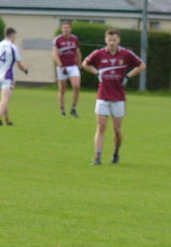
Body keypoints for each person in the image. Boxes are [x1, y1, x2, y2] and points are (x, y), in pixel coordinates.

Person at [82, 28, 145, 165]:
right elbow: (85, 64)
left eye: (114, 40)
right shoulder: (99, 54)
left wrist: (128, 76)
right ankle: (98, 157)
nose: (112, 42)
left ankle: (116, 151)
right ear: (106, 40)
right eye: (109, 40)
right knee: (101, 126)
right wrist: (96, 73)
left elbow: (141, 65)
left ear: (119, 41)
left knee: (116, 129)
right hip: (103, 96)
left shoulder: (126, 54)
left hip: (118, 97)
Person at [53, 20, 82, 117]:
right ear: (62, 29)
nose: (66, 30)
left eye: (68, 28)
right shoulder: (58, 40)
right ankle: (62, 110)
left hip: (73, 65)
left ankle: (73, 108)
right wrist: (61, 66)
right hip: (62, 66)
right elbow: (55, 54)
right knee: (62, 89)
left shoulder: (74, 39)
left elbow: (78, 53)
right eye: (64, 28)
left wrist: (80, 66)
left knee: (76, 86)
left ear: (70, 29)